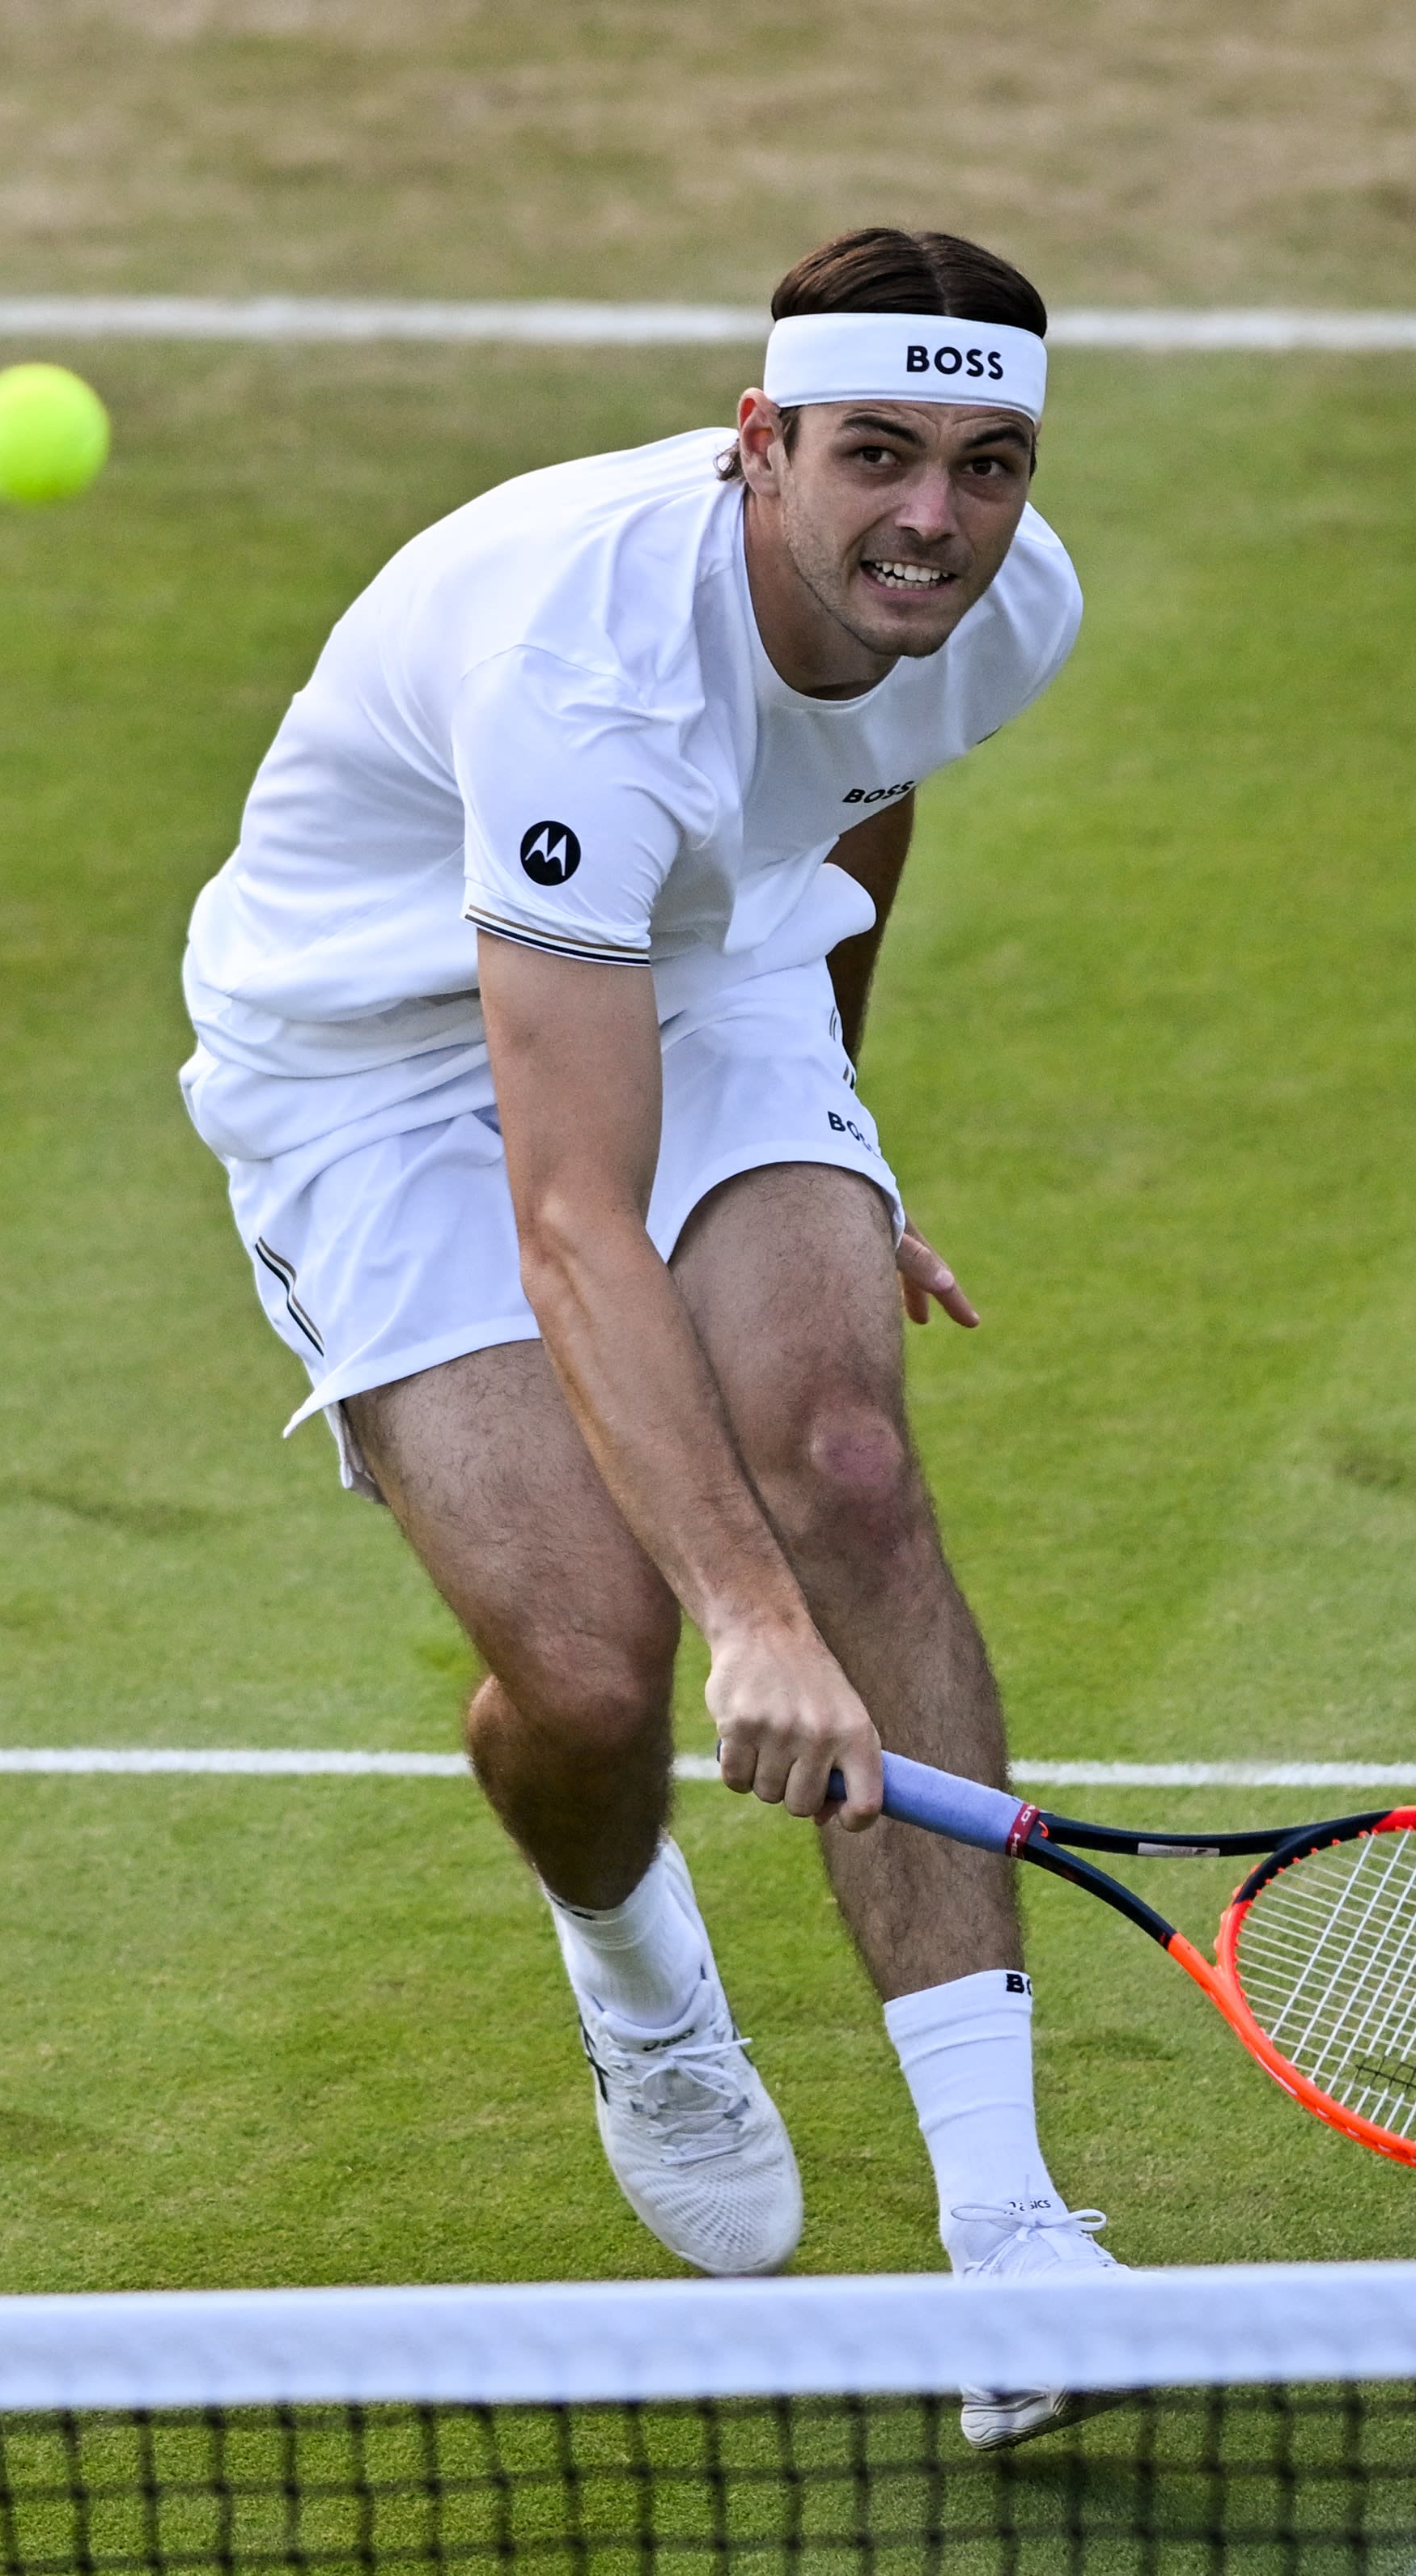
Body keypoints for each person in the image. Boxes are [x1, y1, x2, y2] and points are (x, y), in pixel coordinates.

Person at [176, 226, 1117, 2447]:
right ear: (757, 443)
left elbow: (862, 792)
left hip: (704, 957)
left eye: (986, 466)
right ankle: (637, 1973)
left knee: (854, 1460)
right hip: (381, 1055)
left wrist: (835, 1155)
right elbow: (574, 1205)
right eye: (874, 457)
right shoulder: (589, 667)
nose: (934, 519)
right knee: (597, 1672)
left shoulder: (1011, 598)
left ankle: (1011, 2242)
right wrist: (746, 1621)